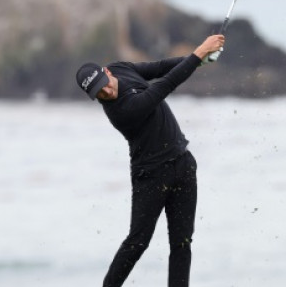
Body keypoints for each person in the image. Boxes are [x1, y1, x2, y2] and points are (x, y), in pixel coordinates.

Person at [77, 33, 225, 287]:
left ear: (107, 72)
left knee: (182, 243)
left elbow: (158, 69)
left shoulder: (120, 68)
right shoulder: (121, 112)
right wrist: (198, 53)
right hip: (152, 176)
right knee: (138, 242)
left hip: (182, 162)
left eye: (105, 83)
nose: (106, 91)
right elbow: (163, 87)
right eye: (99, 93)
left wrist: (200, 60)